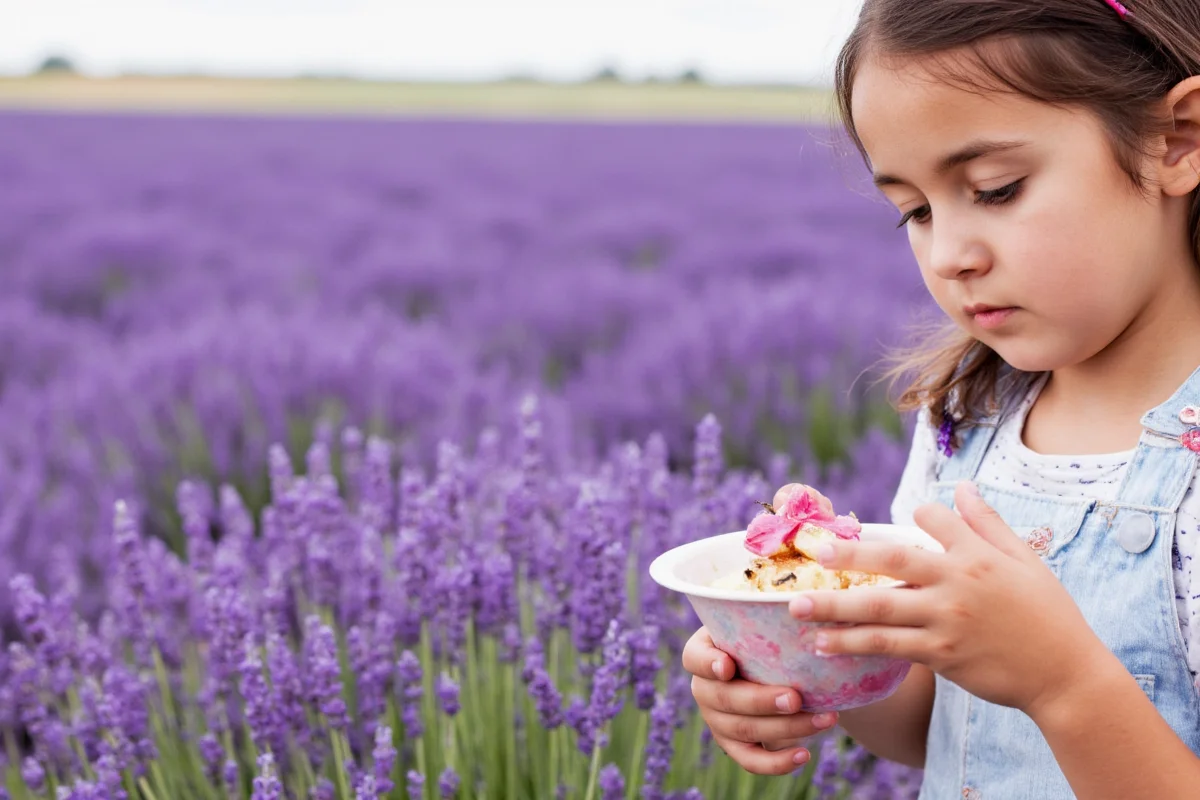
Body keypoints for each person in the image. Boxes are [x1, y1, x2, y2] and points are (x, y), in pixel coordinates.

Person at [681, 0, 1200, 797]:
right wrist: (809, 651)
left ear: (1177, 140)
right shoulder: (967, 417)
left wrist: (1062, 685)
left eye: (996, 190)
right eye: (916, 212)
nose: (949, 255)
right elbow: (931, 726)